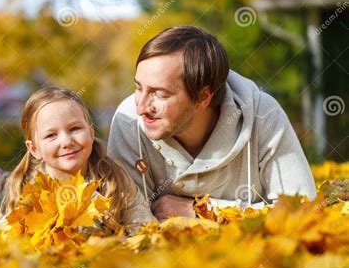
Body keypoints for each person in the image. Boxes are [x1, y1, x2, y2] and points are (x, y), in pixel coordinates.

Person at [107, 25, 317, 221]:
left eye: (160, 94)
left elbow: (302, 211)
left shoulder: (263, 115)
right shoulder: (129, 121)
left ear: (202, 97)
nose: (141, 106)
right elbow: (130, 223)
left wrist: (200, 212)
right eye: (138, 87)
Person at [0, 86, 156, 233]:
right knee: (11, 190)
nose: (67, 142)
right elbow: (7, 237)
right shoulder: (30, 190)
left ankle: (2, 183)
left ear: (91, 132)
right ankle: (3, 185)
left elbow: (142, 223)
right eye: (51, 135)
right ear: (34, 149)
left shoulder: (114, 177)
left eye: (75, 129)